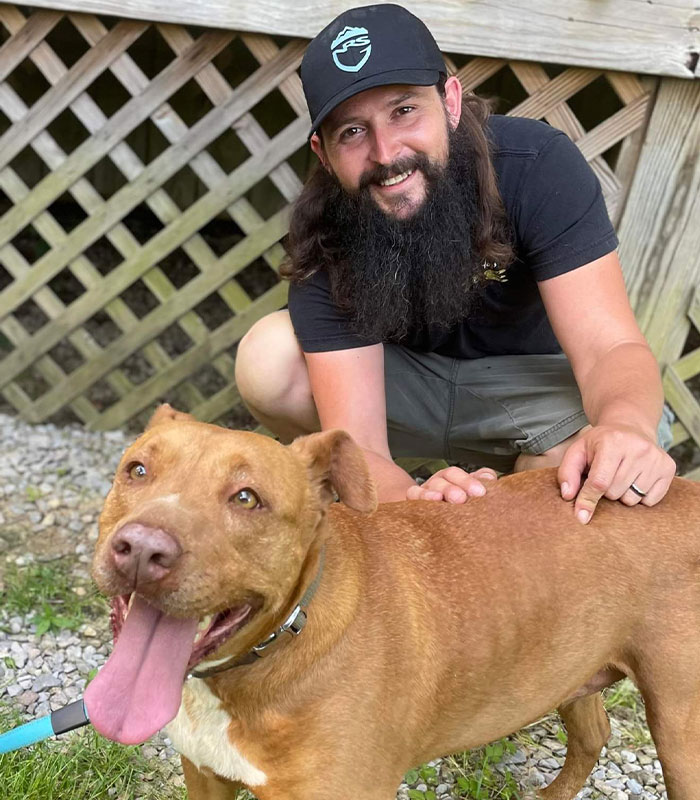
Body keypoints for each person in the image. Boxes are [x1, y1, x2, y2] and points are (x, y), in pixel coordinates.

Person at [235, 3, 676, 522]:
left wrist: (625, 426)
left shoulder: (538, 166)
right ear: (323, 153)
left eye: (404, 111)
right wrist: (414, 499)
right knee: (267, 357)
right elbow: (359, 444)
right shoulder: (327, 226)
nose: (386, 152)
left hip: (530, 387)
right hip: (405, 387)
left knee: (598, 464)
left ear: (450, 100)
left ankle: (528, 475)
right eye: (352, 132)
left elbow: (610, 347)